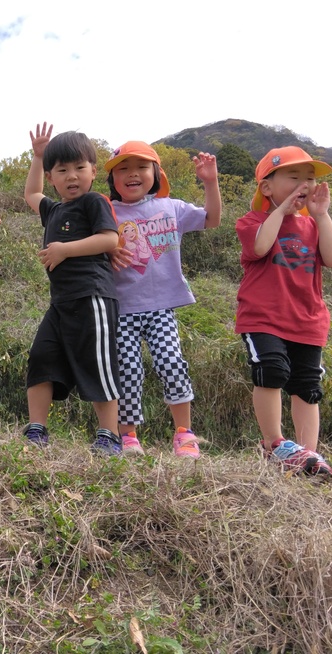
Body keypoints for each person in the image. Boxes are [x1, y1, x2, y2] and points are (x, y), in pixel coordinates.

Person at [236, 146, 332, 479]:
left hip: (308, 320)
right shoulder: (252, 221)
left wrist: (321, 215)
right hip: (263, 316)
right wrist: (283, 210)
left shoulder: (317, 226)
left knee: (307, 386)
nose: (305, 184)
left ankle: (307, 455)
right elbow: (260, 246)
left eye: (310, 178)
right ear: (267, 187)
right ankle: (275, 443)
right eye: (294, 177)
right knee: (271, 370)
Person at [103, 141, 222, 458]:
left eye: (141, 167)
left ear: (156, 174)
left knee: (171, 363)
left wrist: (210, 182)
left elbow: (211, 219)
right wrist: (107, 249)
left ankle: (184, 434)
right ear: (112, 178)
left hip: (162, 309)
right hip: (122, 309)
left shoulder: (172, 207)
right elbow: (92, 245)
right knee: (128, 370)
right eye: (123, 169)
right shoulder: (107, 212)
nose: (132, 174)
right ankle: (128, 436)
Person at [21, 123, 123, 455]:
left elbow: (110, 239)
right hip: (61, 303)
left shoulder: (94, 201)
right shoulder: (54, 209)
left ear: (93, 170)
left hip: (93, 297)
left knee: (99, 364)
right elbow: (31, 195)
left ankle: (109, 435)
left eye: (80, 167)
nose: (72, 176)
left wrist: (65, 249)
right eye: (62, 170)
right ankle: (37, 429)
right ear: (51, 177)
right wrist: (38, 157)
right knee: (41, 356)